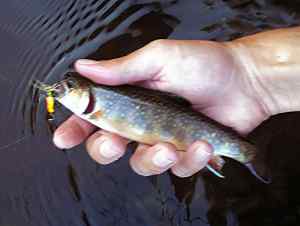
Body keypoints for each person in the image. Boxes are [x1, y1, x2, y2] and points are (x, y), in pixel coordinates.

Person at [53, 27, 300, 178]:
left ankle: (247, 153)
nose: (62, 90)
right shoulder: (96, 107)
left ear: (89, 95)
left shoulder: (98, 110)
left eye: (71, 87)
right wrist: (251, 73)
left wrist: (248, 71)